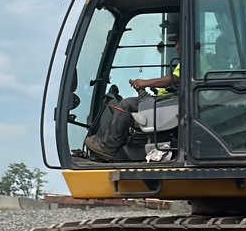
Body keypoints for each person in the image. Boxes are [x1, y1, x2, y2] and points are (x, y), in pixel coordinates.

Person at [77, 25, 180, 161]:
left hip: (174, 103)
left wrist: (146, 83)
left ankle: (108, 147)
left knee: (126, 105)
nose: (177, 46)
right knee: (128, 110)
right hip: (168, 101)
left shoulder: (193, 59)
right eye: (176, 43)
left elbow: (176, 79)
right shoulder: (186, 61)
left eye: (179, 42)